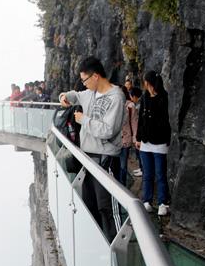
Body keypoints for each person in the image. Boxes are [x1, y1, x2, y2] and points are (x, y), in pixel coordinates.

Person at [59, 56, 125, 242]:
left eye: (85, 80)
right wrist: (64, 97)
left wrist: (83, 120)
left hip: (105, 160)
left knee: (108, 209)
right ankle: (98, 249)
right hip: (87, 159)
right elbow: (74, 95)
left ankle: (118, 259)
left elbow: (108, 130)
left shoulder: (116, 97)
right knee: (90, 207)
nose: (83, 84)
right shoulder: (90, 93)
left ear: (95, 76)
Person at [135, 71, 171, 216]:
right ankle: (147, 201)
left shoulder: (164, 97)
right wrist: (138, 138)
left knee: (160, 174)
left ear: (149, 82)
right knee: (147, 174)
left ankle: (163, 203)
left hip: (160, 141)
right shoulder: (144, 97)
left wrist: (166, 138)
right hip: (145, 142)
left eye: (145, 81)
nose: (144, 84)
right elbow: (141, 120)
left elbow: (165, 120)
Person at [120, 86, 138, 186]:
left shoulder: (130, 105)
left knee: (123, 166)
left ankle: (122, 187)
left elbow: (134, 122)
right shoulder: (113, 104)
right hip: (113, 141)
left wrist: (135, 138)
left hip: (125, 139)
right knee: (114, 166)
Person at [130, 87, 143, 177]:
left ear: (134, 96)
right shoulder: (139, 104)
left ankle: (143, 169)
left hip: (140, 132)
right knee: (139, 153)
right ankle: (141, 168)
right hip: (139, 132)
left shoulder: (138, 106)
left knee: (141, 152)